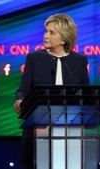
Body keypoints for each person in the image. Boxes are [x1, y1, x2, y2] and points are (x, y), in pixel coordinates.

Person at [13, 13, 89, 169]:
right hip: (40, 126)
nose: (45, 36)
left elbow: (85, 95)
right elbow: (23, 88)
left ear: (64, 38)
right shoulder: (34, 58)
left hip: (69, 129)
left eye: (51, 32)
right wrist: (20, 99)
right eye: (46, 31)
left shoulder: (79, 61)